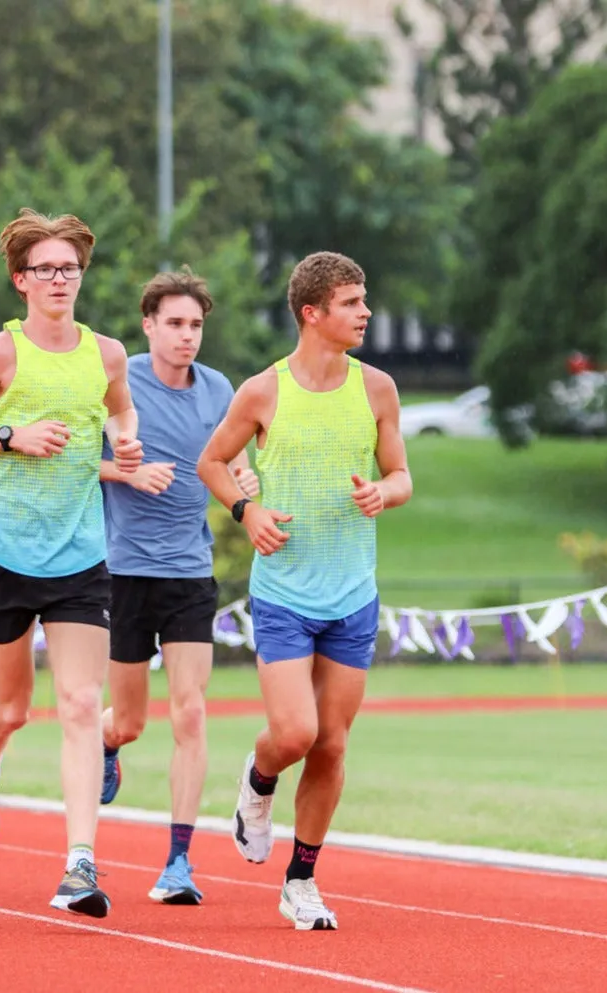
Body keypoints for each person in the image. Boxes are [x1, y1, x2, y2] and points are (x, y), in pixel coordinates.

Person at [0, 208, 142, 919]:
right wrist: (8, 435)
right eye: (44, 268)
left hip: (80, 554)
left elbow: (121, 412)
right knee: (11, 707)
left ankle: (79, 864)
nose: (59, 279)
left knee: (79, 704)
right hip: (4, 554)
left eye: (69, 268)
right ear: (20, 280)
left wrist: (126, 443)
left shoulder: (107, 353)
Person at [196, 251, 412, 931]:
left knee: (332, 744)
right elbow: (211, 460)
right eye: (351, 302)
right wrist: (246, 511)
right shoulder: (262, 391)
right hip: (285, 590)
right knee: (294, 732)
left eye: (364, 299)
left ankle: (301, 880)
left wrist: (385, 491)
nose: (365, 313)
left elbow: (401, 473)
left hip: (352, 592)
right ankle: (257, 783)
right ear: (311, 313)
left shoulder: (377, 387)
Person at [98, 267, 258, 905]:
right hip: (124, 571)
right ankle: (105, 742)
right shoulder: (119, 380)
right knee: (133, 720)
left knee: (190, 711)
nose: (187, 336)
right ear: (148, 325)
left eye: (195, 325)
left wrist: (245, 483)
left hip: (190, 572)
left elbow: (233, 456)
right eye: (174, 324)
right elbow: (73, 460)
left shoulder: (218, 387)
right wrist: (127, 476)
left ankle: (178, 863)